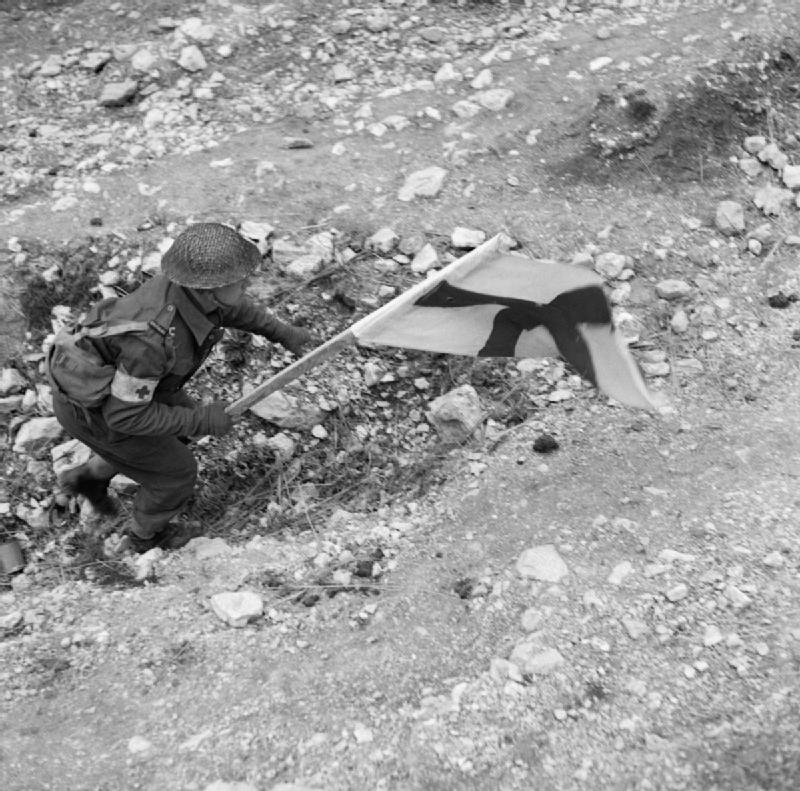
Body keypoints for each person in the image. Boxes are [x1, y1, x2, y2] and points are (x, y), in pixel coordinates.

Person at [49, 222, 313, 553]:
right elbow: (125, 418)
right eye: (238, 278)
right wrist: (201, 420)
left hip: (134, 391)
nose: (248, 280)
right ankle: (144, 537)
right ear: (205, 288)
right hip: (95, 412)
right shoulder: (150, 340)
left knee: (174, 432)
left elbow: (233, 306)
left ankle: (87, 478)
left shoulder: (191, 290)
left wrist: (282, 332)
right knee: (177, 471)